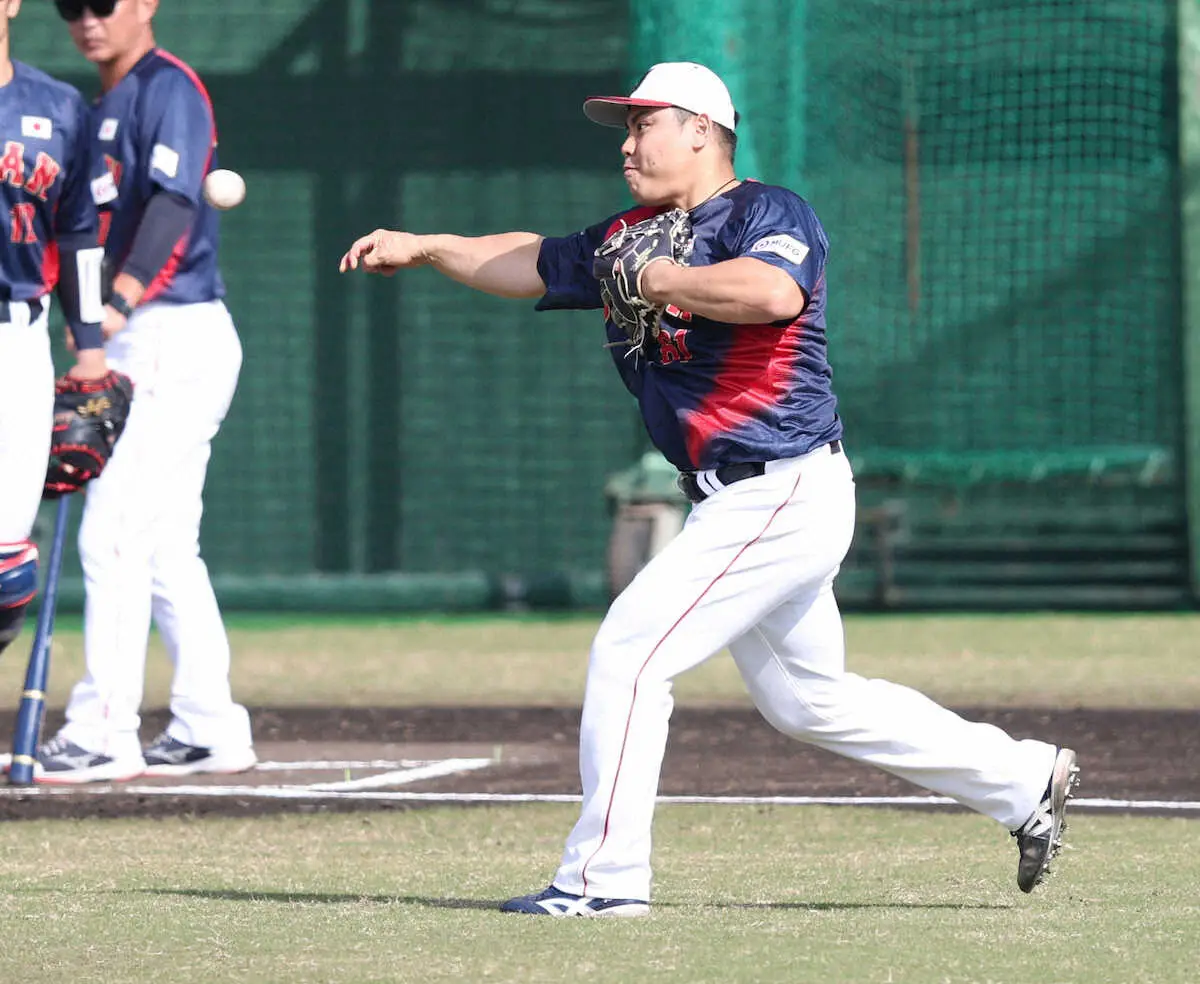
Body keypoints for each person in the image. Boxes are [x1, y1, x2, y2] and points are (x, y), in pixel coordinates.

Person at [340, 61, 1080, 915]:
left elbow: (771, 291)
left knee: (630, 654)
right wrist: (426, 246)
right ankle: (1023, 778)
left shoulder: (768, 211)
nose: (627, 143)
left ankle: (602, 883)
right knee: (807, 700)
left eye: (643, 124)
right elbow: (534, 262)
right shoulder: (630, 232)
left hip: (781, 485)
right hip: (732, 497)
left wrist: (663, 282)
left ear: (700, 128)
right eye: (626, 127)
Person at [36, 0, 255, 783]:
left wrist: (113, 310)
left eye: (104, 3)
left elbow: (173, 204)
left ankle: (102, 728)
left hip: (171, 332)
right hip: (142, 336)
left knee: (114, 533)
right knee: (162, 546)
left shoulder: (171, 88)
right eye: (71, 7)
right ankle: (208, 725)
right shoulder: (102, 105)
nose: (87, 19)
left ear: (147, 5)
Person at [1, 0, 112, 665]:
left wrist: (91, 344)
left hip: (18, 340)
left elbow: (78, 236)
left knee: (8, 568)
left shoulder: (60, 106)